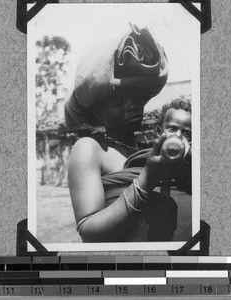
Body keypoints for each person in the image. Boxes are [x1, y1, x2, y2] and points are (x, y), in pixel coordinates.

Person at [65, 24, 178, 243]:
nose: (132, 106)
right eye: (119, 102)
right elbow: (87, 229)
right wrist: (147, 179)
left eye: (137, 98)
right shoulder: (90, 148)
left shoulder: (144, 148)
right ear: (98, 113)